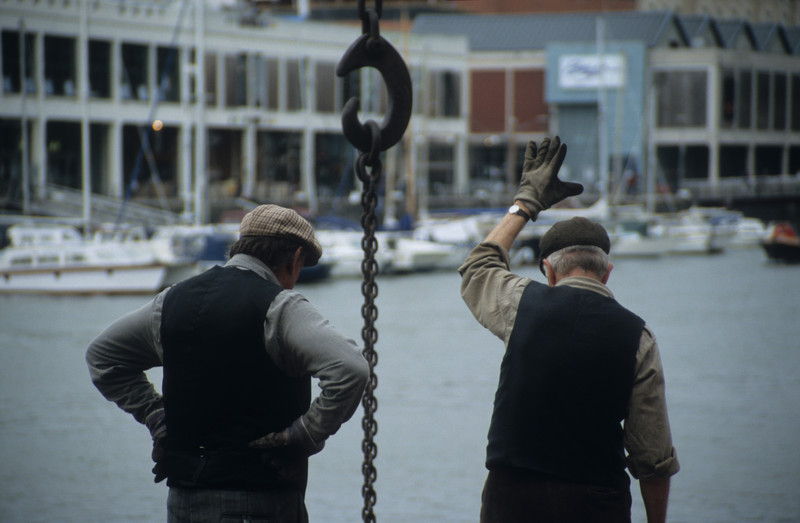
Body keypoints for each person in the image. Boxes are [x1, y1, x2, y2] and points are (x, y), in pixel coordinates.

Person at [86, 204, 369, 522]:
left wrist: (156, 416)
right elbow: (351, 369)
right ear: (294, 258)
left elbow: (103, 357)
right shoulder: (278, 307)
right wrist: (303, 435)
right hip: (260, 505)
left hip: (183, 501)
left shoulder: (170, 301)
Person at [459, 137, 679, 523]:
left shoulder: (521, 303)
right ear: (607, 272)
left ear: (548, 271)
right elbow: (653, 457)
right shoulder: (638, 337)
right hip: (596, 503)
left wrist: (525, 203)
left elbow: (479, 266)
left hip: (512, 499)